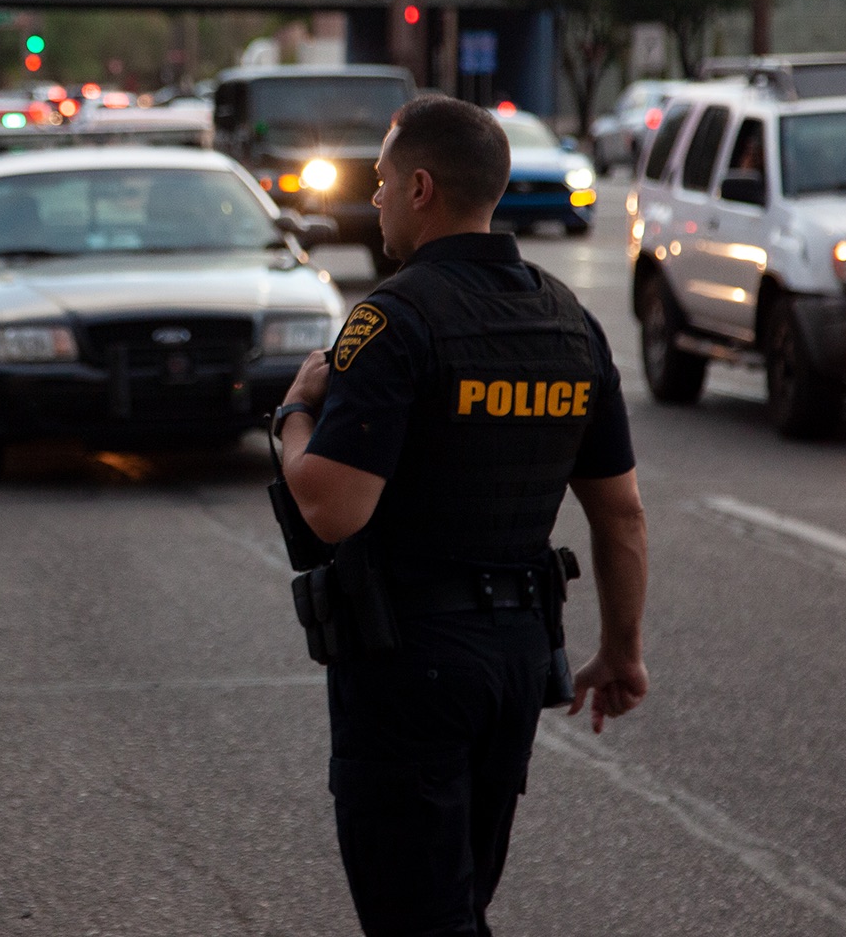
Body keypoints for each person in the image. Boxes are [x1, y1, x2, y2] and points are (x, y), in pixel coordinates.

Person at [271, 95, 649, 936]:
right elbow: (620, 513)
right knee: (458, 898)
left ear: (420, 190)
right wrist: (621, 651)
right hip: (518, 659)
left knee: (418, 917)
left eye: (379, 182)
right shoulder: (569, 323)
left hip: (411, 661)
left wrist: (297, 414)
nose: (371, 200)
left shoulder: (391, 321)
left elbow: (334, 508)